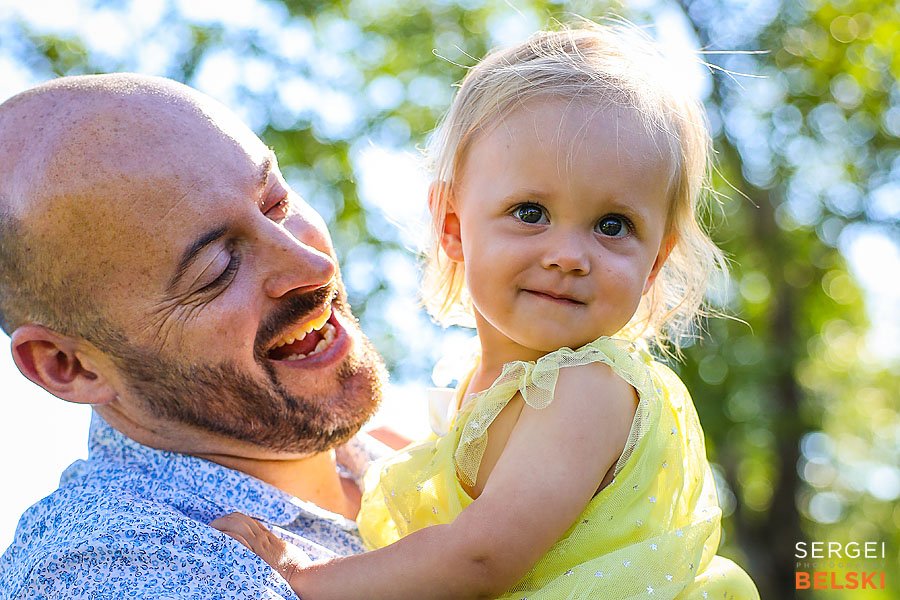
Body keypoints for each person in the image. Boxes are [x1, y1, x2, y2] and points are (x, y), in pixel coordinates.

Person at [213, 23, 761, 599]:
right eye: (530, 212)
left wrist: (300, 575)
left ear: (653, 261)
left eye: (612, 225)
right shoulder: (484, 387)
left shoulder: (586, 387)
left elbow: (478, 560)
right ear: (453, 224)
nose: (569, 256)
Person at [0, 73, 390, 598]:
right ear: (69, 366)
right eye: (217, 268)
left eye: (276, 203)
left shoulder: (433, 451)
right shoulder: (116, 566)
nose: (313, 264)